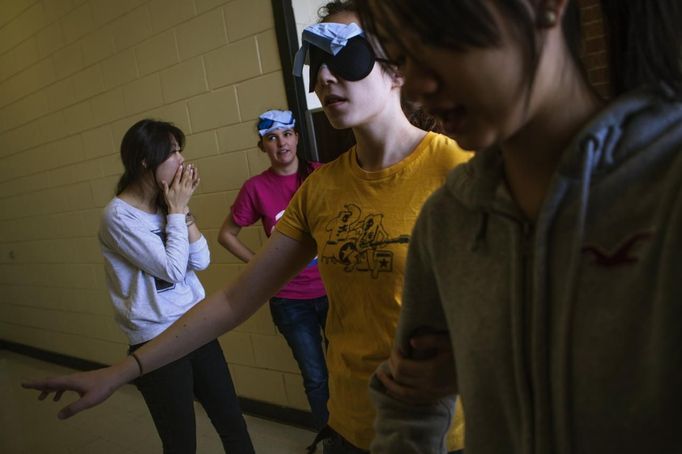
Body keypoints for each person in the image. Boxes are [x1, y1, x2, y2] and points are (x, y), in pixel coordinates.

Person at [21, 2, 471, 453]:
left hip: (441, 433)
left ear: (397, 70)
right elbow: (236, 299)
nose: (325, 78)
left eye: (344, 56)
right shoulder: (321, 190)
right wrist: (121, 371)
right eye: (316, 64)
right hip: (351, 426)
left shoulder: (459, 172)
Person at [350, 1, 682, 453]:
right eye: (403, 56)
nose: (420, 85)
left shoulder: (666, 184)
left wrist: (485, 363)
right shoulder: (447, 220)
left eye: (440, 37)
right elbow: (409, 401)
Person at [95, 119, 254, 454]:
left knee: (232, 423)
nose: (182, 160)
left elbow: (202, 260)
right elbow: (171, 268)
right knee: (181, 442)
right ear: (145, 161)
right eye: (173, 153)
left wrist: (180, 210)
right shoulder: (118, 216)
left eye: (181, 151)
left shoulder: (168, 205)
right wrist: (178, 210)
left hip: (196, 325)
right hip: (156, 339)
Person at [217, 109, 330, 431]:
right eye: (271, 137)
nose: (281, 143)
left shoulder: (322, 175)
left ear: (297, 137)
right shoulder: (255, 188)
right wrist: (263, 267)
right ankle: (331, 441)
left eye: (287, 134)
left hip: (336, 291)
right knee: (316, 378)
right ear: (262, 146)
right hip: (291, 300)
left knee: (350, 370)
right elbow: (226, 235)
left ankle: (358, 437)